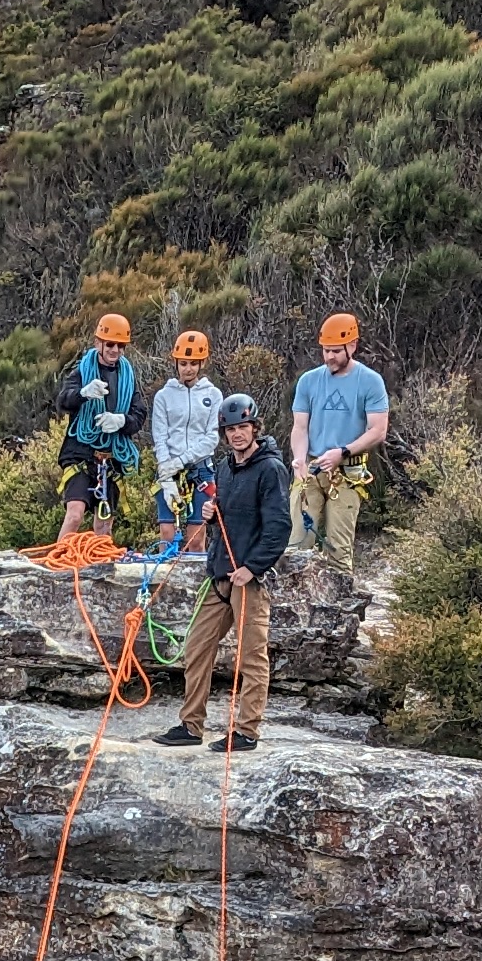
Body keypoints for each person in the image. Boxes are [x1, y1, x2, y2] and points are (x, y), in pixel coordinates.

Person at [158, 391, 288, 750]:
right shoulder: (225, 468)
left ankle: (247, 731)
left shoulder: (271, 469)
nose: (237, 434)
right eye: (230, 429)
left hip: (249, 580)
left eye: (243, 427)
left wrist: (252, 567)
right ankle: (190, 726)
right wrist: (212, 518)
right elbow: (232, 520)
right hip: (219, 576)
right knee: (197, 647)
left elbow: (278, 527)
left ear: (255, 428)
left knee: (251, 657)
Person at [288, 313, 389, 569]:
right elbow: (300, 427)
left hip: (347, 471)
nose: (329, 356)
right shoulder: (309, 381)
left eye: (335, 351)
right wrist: (299, 458)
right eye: (325, 350)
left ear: (352, 346)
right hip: (311, 469)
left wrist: (343, 452)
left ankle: (342, 606)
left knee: (338, 550)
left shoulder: (370, 382)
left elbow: (378, 430)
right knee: (297, 546)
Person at [53, 314, 145, 546]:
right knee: (75, 513)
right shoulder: (82, 371)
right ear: (98, 343)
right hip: (81, 453)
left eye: (120, 346)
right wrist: (83, 393)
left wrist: (121, 421)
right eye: (110, 344)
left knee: (104, 524)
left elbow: (139, 414)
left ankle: (100, 566)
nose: (115, 350)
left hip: (111, 457)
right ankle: (59, 560)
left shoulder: (128, 377)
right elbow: (63, 400)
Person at [147, 328, 222, 539]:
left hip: (201, 470)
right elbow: (159, 437)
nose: (188, 369)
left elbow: (212, 438)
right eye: (183, 363)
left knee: (196, 537)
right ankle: (163, 571)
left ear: (202, 364)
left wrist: (182, 460)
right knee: (167, 532)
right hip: (169, 469)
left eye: (193, 364)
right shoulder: (164, 396)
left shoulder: (213, 395)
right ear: (176, 363)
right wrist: (166, 470)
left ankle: (197, 572)